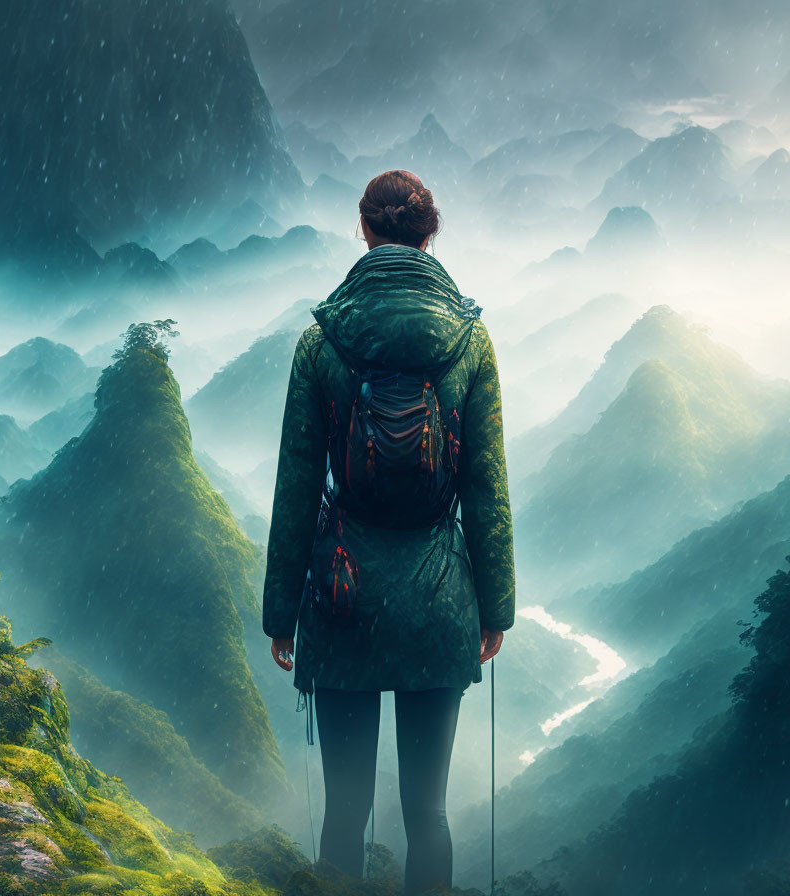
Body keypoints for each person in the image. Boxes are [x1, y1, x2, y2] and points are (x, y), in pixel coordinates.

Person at [262, 169, 515, 895]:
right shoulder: (471, 342)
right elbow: (487, 490)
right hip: (440, 601)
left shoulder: (322, 345)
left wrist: (281, 612)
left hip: (343, 600)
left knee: (346, 809)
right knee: (427, 813)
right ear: (430, 235)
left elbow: (296, 486)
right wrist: (496, 607)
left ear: (365, 231)